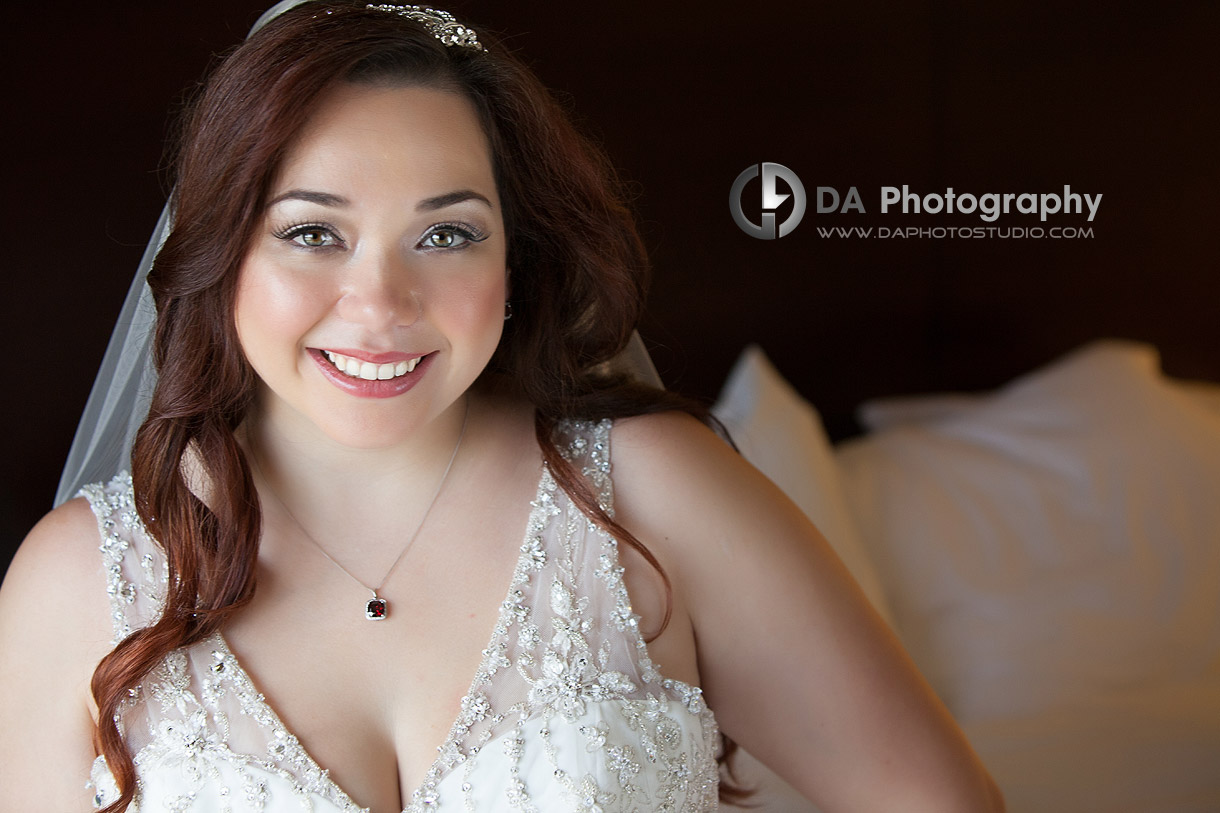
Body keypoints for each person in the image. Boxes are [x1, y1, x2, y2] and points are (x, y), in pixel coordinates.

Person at [0, 3, 1004, 811]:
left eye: (446, 236)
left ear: (516, 261)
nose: (380, 306)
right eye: (312, 233)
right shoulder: (75, 586)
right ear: (225, 252)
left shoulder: (655, 495)